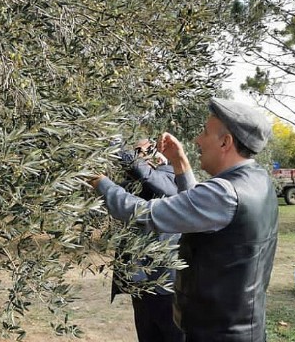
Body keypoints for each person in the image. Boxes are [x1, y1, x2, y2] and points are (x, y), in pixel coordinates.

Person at [91, 98, 278, 342]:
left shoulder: (223, 193)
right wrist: (180, 162)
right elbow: (201, 208)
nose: (197, 140)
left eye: (204, 132)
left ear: (225, 142)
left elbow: (143, 213)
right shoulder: (258, 180)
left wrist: (101, 182)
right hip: (240, 329)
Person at [112, 138, 184, 342]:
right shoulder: (135, 183)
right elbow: (119, 192)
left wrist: (119, 148)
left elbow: (150, 177)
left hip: (167, 284)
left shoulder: (172, 176)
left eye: (143, 150)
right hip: (141, 283)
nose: (140, 155)